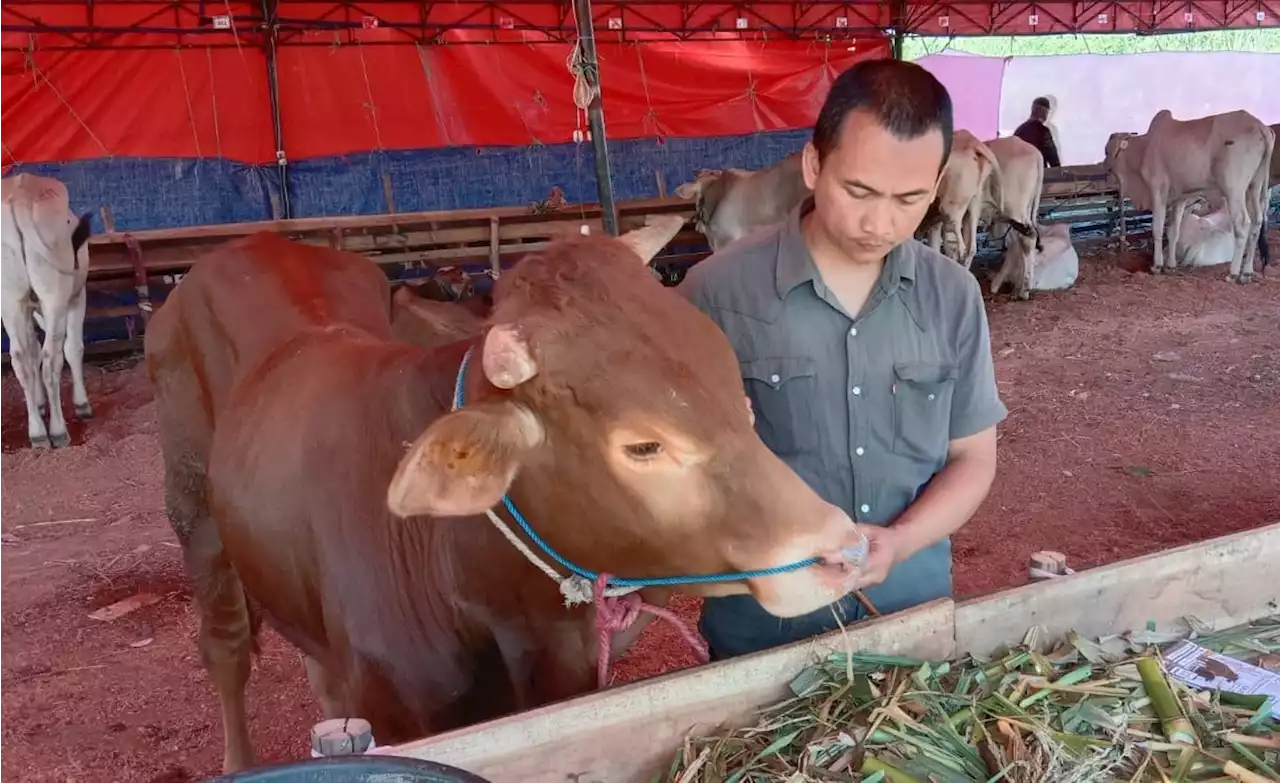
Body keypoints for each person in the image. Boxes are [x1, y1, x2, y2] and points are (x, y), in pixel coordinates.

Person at [678, 58, 1007, 661]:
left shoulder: (953, 297)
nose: (879, 222)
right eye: (858, 191)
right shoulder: (714, 295)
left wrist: (901, 542)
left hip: (912, 618)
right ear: (813, 165)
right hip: (765, 630)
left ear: (937, 187)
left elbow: (973, 458)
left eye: (909, 199)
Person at [1013, 96, 1062, 168]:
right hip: (1038, 174)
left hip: (1021, 174)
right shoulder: (1043, 131)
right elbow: (1053, 158)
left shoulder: (1019, 130)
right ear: (1045, 112)